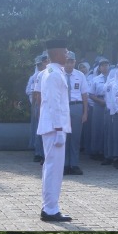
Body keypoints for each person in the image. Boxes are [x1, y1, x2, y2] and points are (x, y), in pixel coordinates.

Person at [37, 40, 73, 223]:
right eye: (65, 51)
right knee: (53, 168)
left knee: (52, 168)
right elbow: (53, 103)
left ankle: (50, 206)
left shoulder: (52, 72)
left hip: (53, 126)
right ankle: (50, 209)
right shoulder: (52, 74)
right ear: (57, 52)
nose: (67, 54)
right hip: (53, 127)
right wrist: (59, 128)